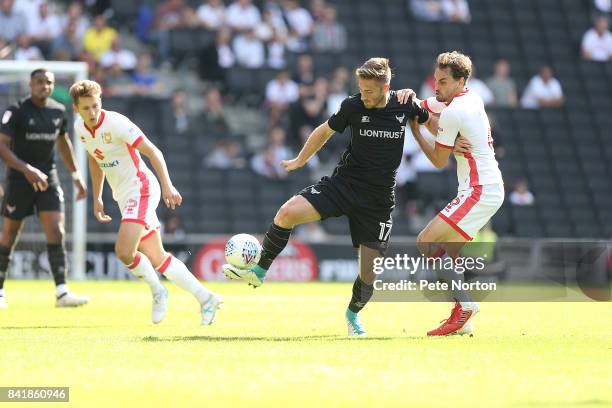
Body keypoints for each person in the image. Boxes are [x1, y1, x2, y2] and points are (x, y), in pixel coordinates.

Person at [222, 57, 469, 336]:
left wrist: (451, 140)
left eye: (369, 91)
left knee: (369, 273)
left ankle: (352, 315)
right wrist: (301, 159)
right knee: (287, 212)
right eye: (361, 89)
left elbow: (431, 122)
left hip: (378, 201)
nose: (363, 95)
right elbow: (324, 130)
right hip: (344, 185)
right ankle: (259, 271)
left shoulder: (404, 103)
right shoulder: (352, 105)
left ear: (385, 86)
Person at [68, 80, 222, 325]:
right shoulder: (80, 129)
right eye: (86, 108)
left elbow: (153, 152)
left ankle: (158, 291)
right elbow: (95, 159)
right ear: (76, 109)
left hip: (141, 189)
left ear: (101, 103)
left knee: (124, 251)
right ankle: (207, 298)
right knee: (157, 257)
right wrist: (97, 196)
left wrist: (167, 185)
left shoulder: (117, 123)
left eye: (95, 106)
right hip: (123, 195)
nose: (93, 113)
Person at [398, 51, 504, 336]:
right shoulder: (469, 97)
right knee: (449, 255)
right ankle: (463, 318)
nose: (437, 86)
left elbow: (438, 160)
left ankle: (466, 305)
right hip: (487, 187)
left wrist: (416, 129)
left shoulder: (455, 111)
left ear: (460, 81)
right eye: (435, 79)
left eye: (443, 81)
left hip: (478, 189)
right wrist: (410, 99)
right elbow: (426, 105)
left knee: (426, 242)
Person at [0, 69, 89, 309]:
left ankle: (62, 292)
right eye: (39, 82)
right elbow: (2, 147)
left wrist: (76, 176)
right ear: (30, 84)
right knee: (9, 234)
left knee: (56, 231)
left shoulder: (58, 111)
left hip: (47, 180)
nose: (44, 86)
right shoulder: (16, 111)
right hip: (20, 179)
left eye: (48, 82)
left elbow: (64, 143)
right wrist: (26, 169)